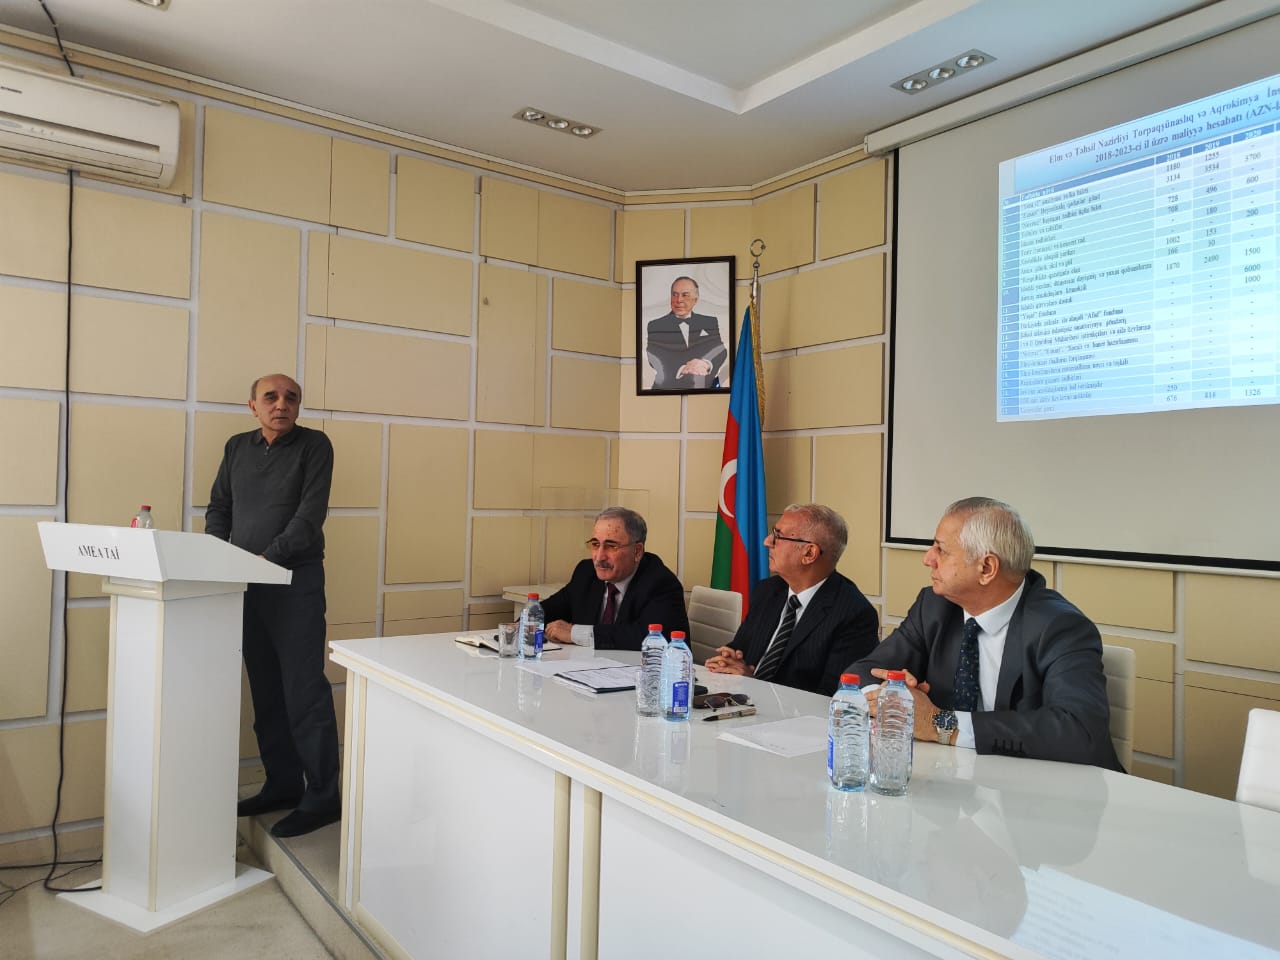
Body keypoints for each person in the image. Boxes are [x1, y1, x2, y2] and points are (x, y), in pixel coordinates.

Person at [849, 497, 1122, 771]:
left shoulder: (1060, 626)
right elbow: (865, 670)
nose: (927, 559)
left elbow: (1080, 731)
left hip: (1040, 792)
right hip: (954, 780)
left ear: (987, 568)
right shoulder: (933, 607)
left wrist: (940, 723)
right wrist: (890, 700)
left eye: (941, 550)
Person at [205, 373, 342, 838]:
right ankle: (283, 785)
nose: (281, 404)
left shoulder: (314, 446)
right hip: (246, 586)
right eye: (271, 397)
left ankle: (323, 797)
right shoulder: (236, 448)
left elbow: (309, 518)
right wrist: (217, 558)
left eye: (291, 397)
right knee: (265, 692)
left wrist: (266, 559)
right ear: (252, 405)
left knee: (304, 691)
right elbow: (220, 507)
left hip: (294, 584)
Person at [705, 503, 878, 696]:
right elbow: (740, 649)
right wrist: (728, 659)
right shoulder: (768, 590)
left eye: (778, 536)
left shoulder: (853, 614)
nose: (767, 541)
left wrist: (752, 685)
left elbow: (830, 697)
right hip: (743, 708)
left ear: (809, 553)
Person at [541, 507, 689, 651]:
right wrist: (523, 624)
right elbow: (549, 609)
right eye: (595, 544)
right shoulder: (586, 572)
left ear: (637, 551)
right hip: (589, 668)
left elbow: (648, 636)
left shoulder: (660, 582)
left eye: (611, 546)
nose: (599, 557)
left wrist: (575, 633)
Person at [645, 275, 727, 390]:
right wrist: (685, 368)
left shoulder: (709, 322)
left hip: (706, 390)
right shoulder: (656, 325)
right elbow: (654, 356)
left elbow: (720, 350)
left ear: (696, 299)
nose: (679, 300)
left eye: (685, 295)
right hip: (666, 391)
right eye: (675, 294)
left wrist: (705, 363)